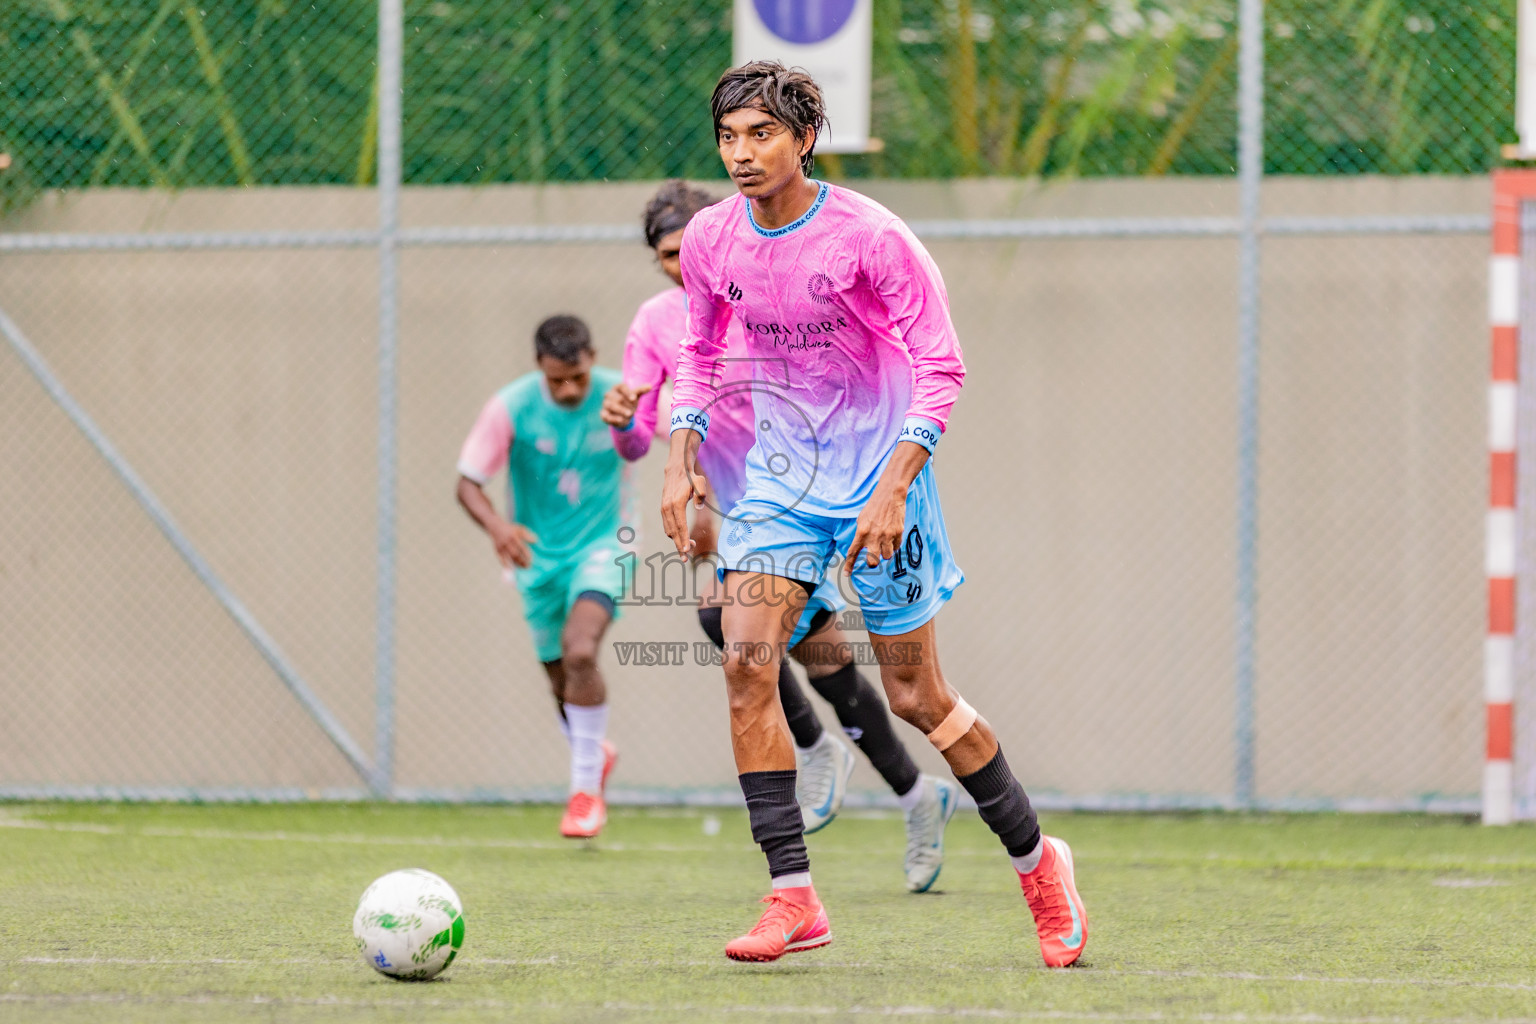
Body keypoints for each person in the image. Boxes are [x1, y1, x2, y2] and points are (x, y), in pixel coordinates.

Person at [660, 62, 1088, 966]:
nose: (742, 154)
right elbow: (696, 352)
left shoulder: (871, 237)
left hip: (880, 479)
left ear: (805, 138)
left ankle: (1039, 861)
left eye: (762, 135)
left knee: (916, 695)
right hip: (780, 482)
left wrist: (897, 482)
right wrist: (681, 453)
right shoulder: (710, 239)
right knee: (746, 661)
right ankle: (793, 897)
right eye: (729, 137)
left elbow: (941, 368)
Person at [601, 179, 959, 894]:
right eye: (664, 256)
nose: (678, 265)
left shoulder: (759, 285)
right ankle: (908, 792)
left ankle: (846, 761)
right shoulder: (655, 325)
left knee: (794, 649)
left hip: (821, 490)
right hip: (757, 510)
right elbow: (641, 441)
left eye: (683, 249)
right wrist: (622, 420)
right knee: (815, 660)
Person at [456, 314, 628, 840]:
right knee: (560, 679)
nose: (570, 388)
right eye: (557, 380)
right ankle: (592, 752)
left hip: (605, 547)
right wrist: (497, 527)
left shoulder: (620, 395)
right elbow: (467, 483)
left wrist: (702, 505)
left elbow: (689, 435)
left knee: (580, 650)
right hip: (537, 559)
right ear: (539, 368)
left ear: (591, 357)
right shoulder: (511, 407)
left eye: (577, 376)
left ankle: (584, 793)